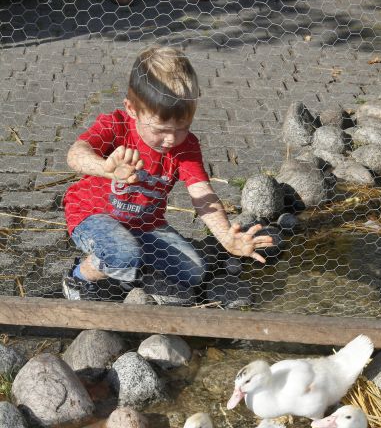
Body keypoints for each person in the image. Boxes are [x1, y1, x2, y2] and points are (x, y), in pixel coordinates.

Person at [62, 45, 273, 305]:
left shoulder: (186, 147)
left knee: (193, 273)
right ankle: (78, 277)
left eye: (183, 127)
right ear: (132, 108)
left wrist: (226, 236)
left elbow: (202, 194)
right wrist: (105, 167)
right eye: (161, 129)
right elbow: (75, 154)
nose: (172, 139)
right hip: (93, 215)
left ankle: (127, 264)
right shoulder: (115, 125)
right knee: (123, 254)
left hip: (145, 225)